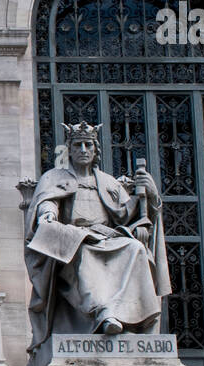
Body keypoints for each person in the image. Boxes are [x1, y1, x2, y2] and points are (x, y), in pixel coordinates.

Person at [24, 122, 169, 351]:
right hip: (75, 237)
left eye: (88, 144)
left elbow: (126, 215)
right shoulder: (54, 177)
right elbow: (47, 204)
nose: (83, 149)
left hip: (108, 237)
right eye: (78, 145)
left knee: (135, 249)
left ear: (95, 150)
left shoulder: (108, 182)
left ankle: (133, 315)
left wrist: (150, 197)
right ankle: (103, 311)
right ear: (69, 150)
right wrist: (48, 215)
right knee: (82, 251)